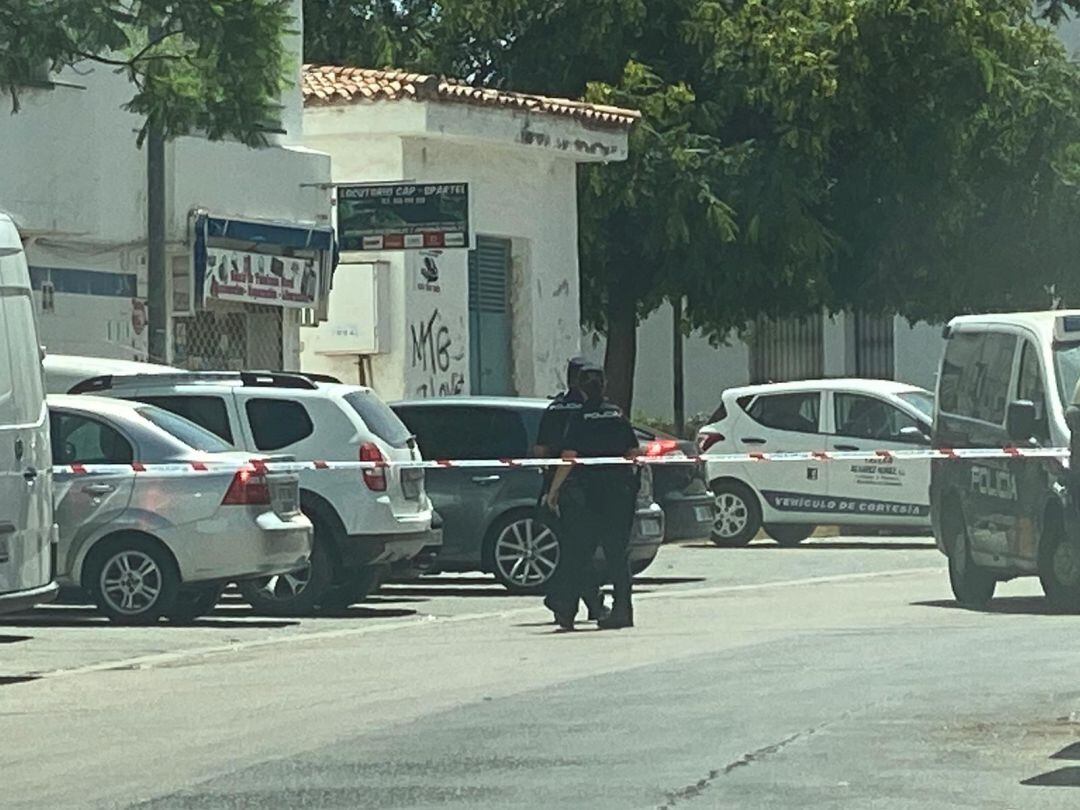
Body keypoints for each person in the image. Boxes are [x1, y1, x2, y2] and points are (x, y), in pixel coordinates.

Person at [544, 363, 640, 630]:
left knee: (579, 552)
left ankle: (566, 608)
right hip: (619, 493)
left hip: (589, 494)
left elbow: (569, 458)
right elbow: (633, 452)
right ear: (605, 387)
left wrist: (553, 491)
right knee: (618, 553)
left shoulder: (580, 417)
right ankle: (623, 610)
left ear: (582, 390)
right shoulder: (617, 415)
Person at [535, 357, 606, 622]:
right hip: (595, 488)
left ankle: (567, 602)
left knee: (571, 547)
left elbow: (541, 450)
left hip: (562, 487)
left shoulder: (556, 409)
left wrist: (549, 483)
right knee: (582, 549)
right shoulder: (595, 410)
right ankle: (574, 602)